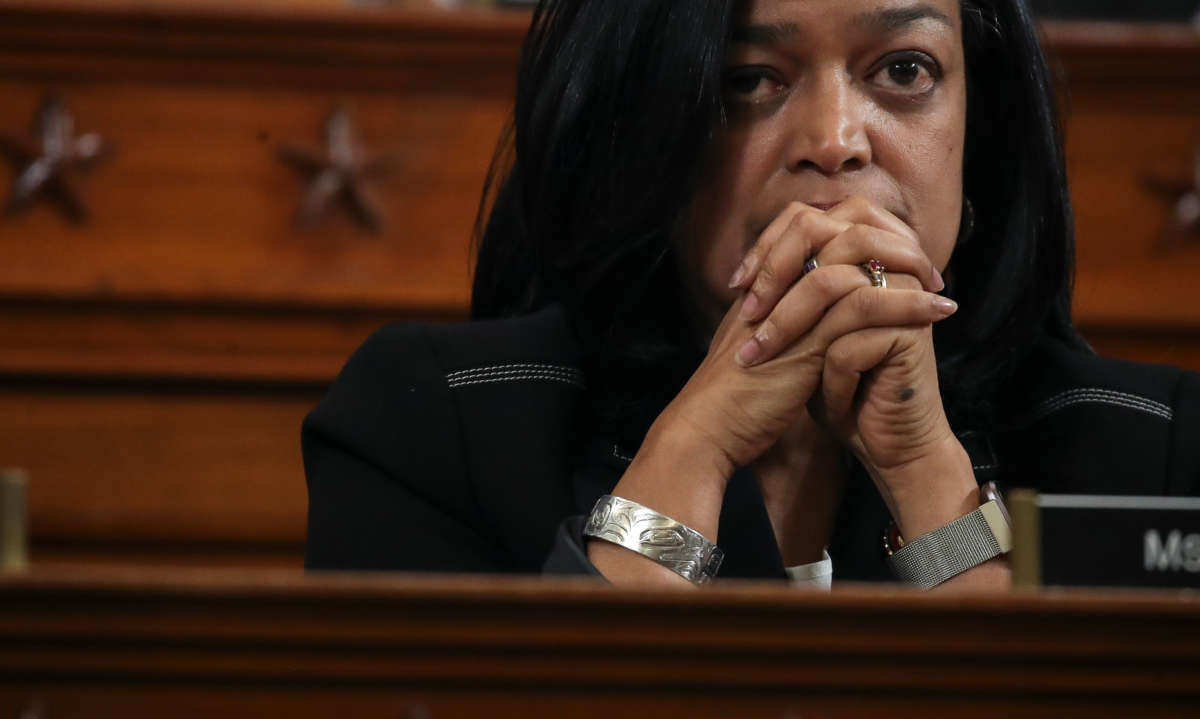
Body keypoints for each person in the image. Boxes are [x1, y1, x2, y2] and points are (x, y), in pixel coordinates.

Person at [302, 0, 1200, 589]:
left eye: (903, 71)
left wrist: (930, 475)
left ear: (982, 138)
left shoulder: (1149, 448)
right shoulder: (432, 427)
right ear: (641, 128)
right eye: (749, 81)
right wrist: (696, 445)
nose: (836, 141)